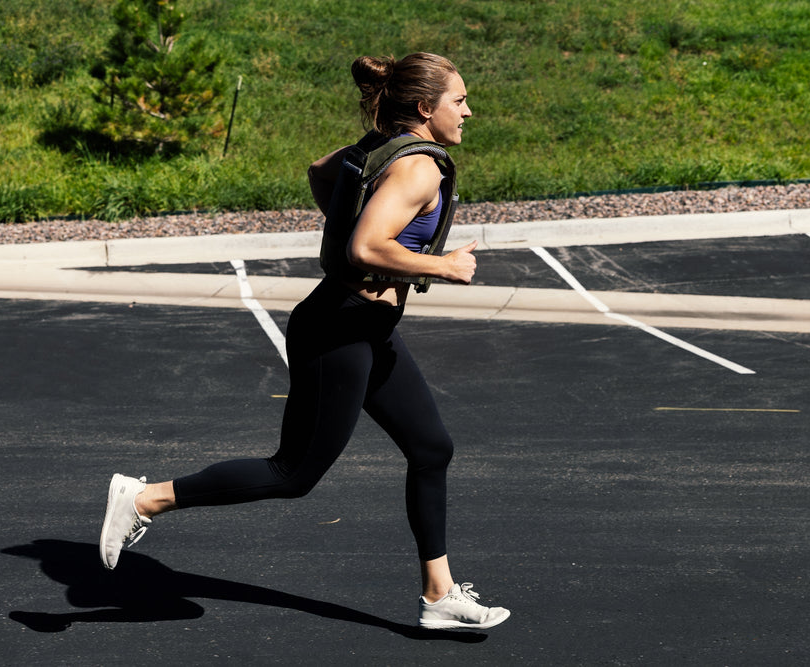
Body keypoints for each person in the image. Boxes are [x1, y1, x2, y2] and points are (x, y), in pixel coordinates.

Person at [99, 52, 510, 631]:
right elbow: (365, 249)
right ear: (424, 108)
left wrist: (350, 221)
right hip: (339, 329)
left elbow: (322, 172)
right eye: (459, 100)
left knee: (430, 447)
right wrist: (441, 266)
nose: (468, 110)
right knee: (293, 474)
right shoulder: (417, 168)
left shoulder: (378, 147)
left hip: (368, 328)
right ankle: (144, 499)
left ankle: (439, 596)